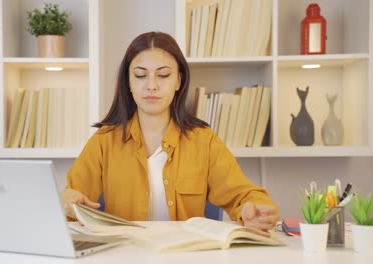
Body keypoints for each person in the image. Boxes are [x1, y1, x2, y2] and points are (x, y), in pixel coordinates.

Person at [61, 31, 279, 231]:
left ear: (178, 81)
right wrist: (67, 200)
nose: (152, 85)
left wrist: (257, 210)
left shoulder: (204, 141)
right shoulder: (104, 141)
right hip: (124, 256)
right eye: (140, 75)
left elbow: (242, 195)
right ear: (128, 81)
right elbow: (73, 195)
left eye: (163, 75)